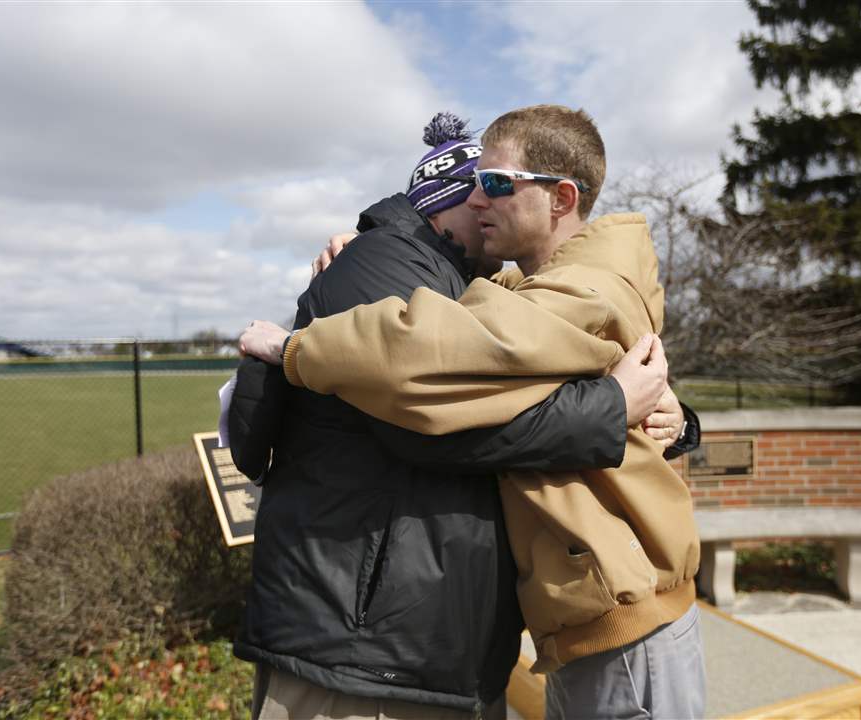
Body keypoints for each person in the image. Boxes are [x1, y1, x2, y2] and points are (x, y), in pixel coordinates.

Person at [241, 104, 707, 719]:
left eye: (492, 184)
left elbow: (418, 353)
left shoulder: (579, 288)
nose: (480, 200)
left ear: (561, 198)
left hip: (620, 613)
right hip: (565, 616)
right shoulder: (524, 286)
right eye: (469, 186)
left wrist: (293, 349)